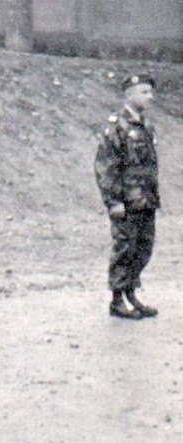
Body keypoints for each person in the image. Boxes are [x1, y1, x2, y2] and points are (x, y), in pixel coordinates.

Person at [94, 74, 160, 320]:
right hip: (126, 202)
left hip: (146, 199)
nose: (149, 96)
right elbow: (106, 166)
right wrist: (113, 201)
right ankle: (117, 300)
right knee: (124, 248)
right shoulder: (117, 126)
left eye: (150, 92)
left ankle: (131, 294)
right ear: (129, 95)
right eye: (144, 92)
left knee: (142, 248)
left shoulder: (146, 126)